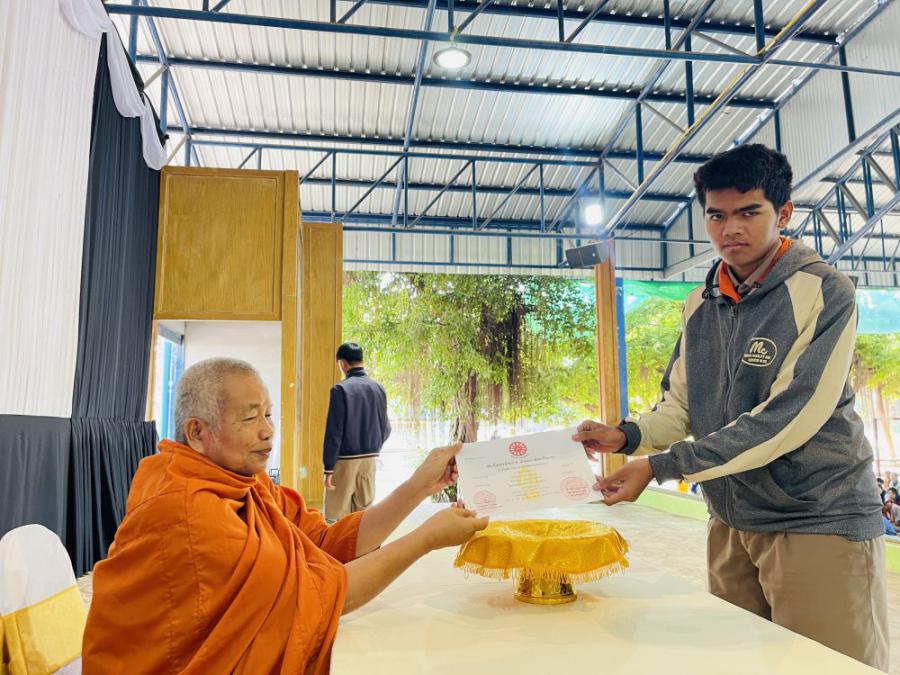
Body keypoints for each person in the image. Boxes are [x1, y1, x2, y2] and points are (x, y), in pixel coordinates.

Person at [573, 144, 888, 671]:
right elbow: (681, 405)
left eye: (748, 212)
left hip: (815, 519)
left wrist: (661, 466)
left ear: (783, 213)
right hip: (729, 521)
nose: (730, 229)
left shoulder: (824, 290)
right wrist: (625, 436)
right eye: (716, 215)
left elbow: (790, 417)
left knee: (826, 666)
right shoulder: (699, 303)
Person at [82, 358, 487, 674]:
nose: (267, 431)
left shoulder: (246, 481)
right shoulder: (188, 511)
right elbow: (321, 597)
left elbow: (325, 544)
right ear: (197, 432)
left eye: (268, 414)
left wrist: (419, 485)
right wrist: (424, 539)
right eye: (249, 418)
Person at [323, 342, 391, 521]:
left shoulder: (340, 390)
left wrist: (328, 467)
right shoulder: (378, 388)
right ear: (361, 361)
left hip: (344, 461)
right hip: (370, 460)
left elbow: (334, 432)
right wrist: (372, 447)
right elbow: (386, 428)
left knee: (336, 517)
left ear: (342, 364)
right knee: (363, 516)